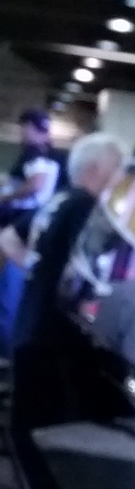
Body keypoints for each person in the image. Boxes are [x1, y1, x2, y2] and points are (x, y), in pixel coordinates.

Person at [5, 134, 129, 440]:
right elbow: (90, 274)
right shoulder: (86, 207)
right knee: (51, 437)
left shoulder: (58, 200)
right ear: (94, 169)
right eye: (117, 168)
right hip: (56, 337)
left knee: (26, 427)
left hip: (29, 327)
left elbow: (7, 238)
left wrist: (38, 268)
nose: (121, 177)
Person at [0, 111, 64, 351]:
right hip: (35, 227)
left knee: (10, 284)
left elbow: (36, 184)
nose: (22, 133)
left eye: (25, 127)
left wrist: (6, 198)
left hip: (20, 225)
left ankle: (7, 345)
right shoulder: (54, 156)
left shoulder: (33, 153)